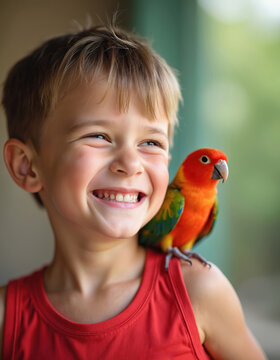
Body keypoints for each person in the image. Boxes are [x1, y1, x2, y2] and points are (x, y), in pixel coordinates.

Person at [0, 24, 266, 359]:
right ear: (27, 166)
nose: (131, 163)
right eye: (98, 135)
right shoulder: (6, 318)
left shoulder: (201, 290)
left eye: (151, 142)